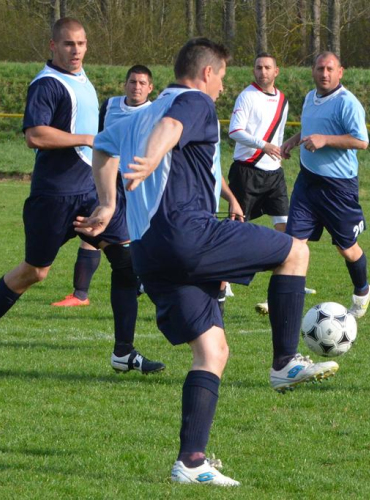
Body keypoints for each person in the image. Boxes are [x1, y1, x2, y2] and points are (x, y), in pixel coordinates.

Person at [75, 38, 339, 487]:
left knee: (212, 351)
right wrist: (150, 160)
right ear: (206, 74)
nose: (222, 88)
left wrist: (107, 201)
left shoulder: (136, 112)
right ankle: (285, 363)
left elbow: (101, 148)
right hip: (188, 234)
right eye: (221, 77)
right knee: (296, 250)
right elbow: (172, 129)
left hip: (148, 254)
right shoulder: (193, 101)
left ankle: (191, 462)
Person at [0, 18, 164, 376]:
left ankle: (124, 351)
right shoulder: (46, 84)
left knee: (126, 261)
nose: (76, 51)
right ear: (52, 46)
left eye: (82, 44)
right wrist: (87, 139)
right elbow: (35, 135)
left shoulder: (82, 79)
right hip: (54, 195)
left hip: (89, 191)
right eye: (69, 44)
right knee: (35, 272)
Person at [52, 65, 155, 307]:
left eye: (142, 83)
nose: (136, 87)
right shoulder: (110, 105)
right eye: (132, 82)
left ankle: (142, 279)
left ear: (150, 88)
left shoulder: (155, 113)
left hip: (138, 181)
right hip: (108, 178)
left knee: (139, 235)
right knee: (93, 230)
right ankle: (80, 294)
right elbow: (99, 138)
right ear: (125, 84)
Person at [281, 51, 370, 319]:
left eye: (330, 69)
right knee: (294, 243)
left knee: (346, 248)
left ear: (340, 72)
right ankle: (286, 301)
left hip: (338, 188)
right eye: (320, 68)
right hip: (307, 182)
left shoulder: (348, 103)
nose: (324, 74)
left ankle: (363, 290)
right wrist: (293, 140)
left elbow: (361, 141)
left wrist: (326, 140)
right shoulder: (310, 97)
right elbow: (311, 128)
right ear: (313, 70)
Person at [223, 52, 314, 315]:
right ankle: (222, 280)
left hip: (274, 175)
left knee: (288, 227)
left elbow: (278, 132)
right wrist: (264, 146)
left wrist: (282, 149)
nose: (262, 72)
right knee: (235, 227)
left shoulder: (283, 99)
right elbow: (234, 131)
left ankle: (290, 277)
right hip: (247, 171)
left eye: (267, 67)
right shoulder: (247, 96)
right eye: (258, 67)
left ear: (277, 72)